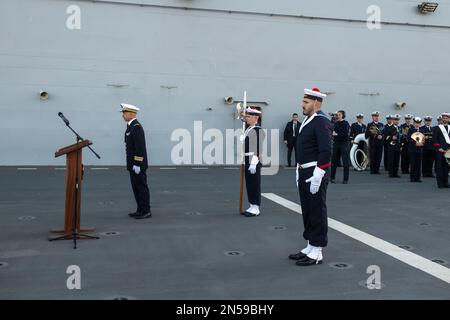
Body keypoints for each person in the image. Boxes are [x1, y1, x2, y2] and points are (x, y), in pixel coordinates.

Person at [288, 88, 332, 266]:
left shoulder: (322, 122)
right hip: (305, 171)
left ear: (317, 103)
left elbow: (326, 150)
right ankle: (310, 245)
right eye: (303, 101)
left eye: (306, 102)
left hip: (315, 172)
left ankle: (317, 251)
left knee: (317, 210)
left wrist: (318, 174)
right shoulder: (309, 120)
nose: (302, 105)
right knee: (307, 209)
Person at [120, 103, 151, 219]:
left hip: (137, 165)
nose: (123, 115)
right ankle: (140, 209)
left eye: (124, 113)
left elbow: (140, 148)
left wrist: (137, 164)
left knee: (141, 187)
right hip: (132, 165)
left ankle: (146, 211)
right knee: (136, 188)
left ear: (131, 114)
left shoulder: (136, 127)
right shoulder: (130, 127)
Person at [242, 107, 265, 217]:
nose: (246, 118)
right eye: (246, 116)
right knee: (249, 183)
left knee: (254, 183)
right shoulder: (249, 129)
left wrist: (253, 163)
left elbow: (258, 148)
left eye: (249, 116)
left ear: (256, 117)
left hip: (253, 160)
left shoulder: (258, 130)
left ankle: (256, 208)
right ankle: (251, 205)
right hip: (248, 159)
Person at [330, 110, 350, 184]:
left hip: (344, 144)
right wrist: (333, 133)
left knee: (345, 162)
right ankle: (332, 178)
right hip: (336, 144)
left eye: (339, 114)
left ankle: (345, 179)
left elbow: (345, 134)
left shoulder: (346, 123)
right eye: (337, 115)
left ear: (343, 115)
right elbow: (332, 131)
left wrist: (337, 134)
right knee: (334, 161)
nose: (337, 116)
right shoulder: (335, 123)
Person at [433, 112, 450, 188]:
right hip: (440, 150)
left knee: (447, 167)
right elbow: (435, 139)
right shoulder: (437, 128)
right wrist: (438, 148)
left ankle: (446, 182)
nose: (445, 119)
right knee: (439, 167)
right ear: (442, 119)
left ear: (449, 119)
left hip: (448, 150)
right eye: (444, 118)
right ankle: (440, 183)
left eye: (447, 118)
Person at [408, 117, 424, 182]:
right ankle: (412, 177)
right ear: (413, 123)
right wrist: (415, 143)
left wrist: (422, 143)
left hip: (419, 150)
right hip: (412, 150)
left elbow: (423, 138)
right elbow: (409, 138)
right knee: (413, 164)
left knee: (418, 164)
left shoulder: (422, 130)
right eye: (416, 123)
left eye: (418, 123)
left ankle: (418, 177)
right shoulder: (411, 130)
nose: (417, 124)